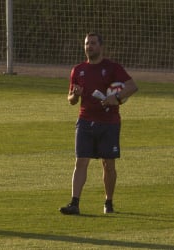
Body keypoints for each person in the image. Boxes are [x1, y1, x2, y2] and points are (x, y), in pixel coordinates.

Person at [60, 32, 138, 215]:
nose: (89, 47)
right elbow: (70, 99)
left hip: (109, 123)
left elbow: (132, 86)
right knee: (80, 162)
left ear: (101, 47)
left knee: (108, 164)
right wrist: (75, 94)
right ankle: (74, 203)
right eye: (87, 44)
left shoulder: (112, 68)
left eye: (93, 43)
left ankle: (108, 203)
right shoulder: (77, 70)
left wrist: (116, 98)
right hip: (85, 121)